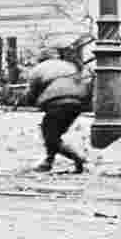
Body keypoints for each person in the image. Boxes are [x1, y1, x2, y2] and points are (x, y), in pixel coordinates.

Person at [23, 44, 90, 174]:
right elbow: (82, 82)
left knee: (49, 134)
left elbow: (31, 93)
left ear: (41, 58)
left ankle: (76, 157)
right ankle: (48, 162)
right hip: (77, 102)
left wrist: (32, 101)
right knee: (54, 133)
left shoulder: (38, 69)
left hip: (57, 102)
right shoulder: (68, 66)